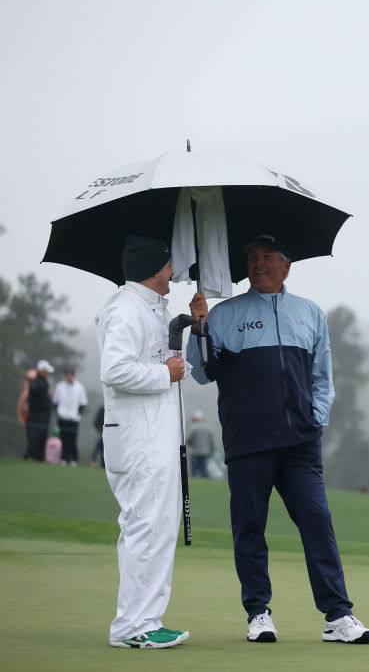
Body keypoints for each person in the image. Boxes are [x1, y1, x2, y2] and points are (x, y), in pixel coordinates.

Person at [187, 233, 369, 645]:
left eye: (268, 256)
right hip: (248, 439)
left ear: (287, 264)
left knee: (317, 521)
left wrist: (317, 417)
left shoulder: (310, 313)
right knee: (250, 526)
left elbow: (322, 376)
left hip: (299, 442)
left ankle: (338, 616)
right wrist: (199, 324)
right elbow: (201, 372)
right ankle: (258, 612)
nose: (259, 263)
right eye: (252, 256)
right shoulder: (223, 314)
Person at [95, 234, 190, 649]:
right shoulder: (126, 309)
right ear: (155, 269)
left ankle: (147, 619)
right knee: (145, 526)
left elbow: (154, 357)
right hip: (139, 440)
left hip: (152, 436)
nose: (174, 271)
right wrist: (163, 374)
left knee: (158, 526)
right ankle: (132, 628)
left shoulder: (149, 305)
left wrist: (192, 324)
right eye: (169, 264)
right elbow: (114, 370)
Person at [53, 367, 89, 465]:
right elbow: (55, 401)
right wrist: (59, 412)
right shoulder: (59, 386)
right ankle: (64, 458)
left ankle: (73, 459)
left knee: (73, 439)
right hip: (62, 417)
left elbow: (83, 402)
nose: (69, 377)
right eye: (67, 375)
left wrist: (78, 413)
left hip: (74, 418)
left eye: (71, 375)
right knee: (63, 439)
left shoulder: (79, 387)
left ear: (73, 376)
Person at [23, 360, 55, 461]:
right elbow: (35, 391)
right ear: (42, 371)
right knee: (35, 435)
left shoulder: (43, 381)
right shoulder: (36, 381)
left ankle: (39, 456)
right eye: (46, 371)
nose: (47, 373)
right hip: (36, 414)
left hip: (44, 414)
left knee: (42, 435)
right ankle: (31, 455)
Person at [186, 410, 215, 478]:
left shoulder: (193, 428)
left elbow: (189, 440)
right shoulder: (209, 428)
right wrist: (212, 451)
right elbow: (211, 442)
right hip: (205, 453)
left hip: (195, 452)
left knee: (194, 472)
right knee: (204, 471)